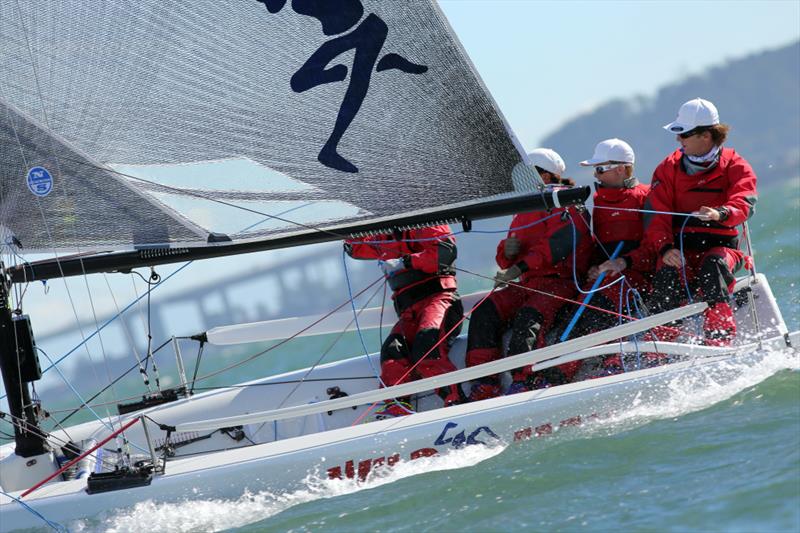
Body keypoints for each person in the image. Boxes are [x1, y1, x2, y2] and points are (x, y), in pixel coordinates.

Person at [598, 98, 758, 346]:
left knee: (713, 267)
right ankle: (661, 348)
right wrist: (665, 248)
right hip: (678, 251)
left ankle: (720, 340)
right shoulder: (668, 168)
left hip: (721, 250)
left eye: (683, 133)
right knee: (666, 275)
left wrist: (721, 213)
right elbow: (656, 216)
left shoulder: (736, 165)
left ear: (706, 135)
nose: (678, 139)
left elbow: (744, 202)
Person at [464, 148, 594, 400]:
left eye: (526, 173)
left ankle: (526, 380)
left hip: (561, 283)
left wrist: (517, 268)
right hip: (528, 283)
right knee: (484, 312)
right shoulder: (525, 207)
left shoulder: (566, 202)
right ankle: (485, 383)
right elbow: (508, 251)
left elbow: (556, 247)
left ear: (545, 176)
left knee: (528, 317)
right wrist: (506, 254)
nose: (519, 179)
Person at [344, 225, 464, 416]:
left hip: (439, 299)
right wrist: (347, 227)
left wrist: (406, 262)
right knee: (393, 352)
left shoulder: (424, 220)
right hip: (408, 311)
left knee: (427, 348)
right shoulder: (382, 233)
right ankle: (397, 409)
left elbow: (444, 253)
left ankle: (457, 403)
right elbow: (357, 248)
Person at [566, 139, 650, 373]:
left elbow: (655, 244)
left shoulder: (645, 196)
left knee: (603, 301)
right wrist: (594, 265)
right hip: (607, 275)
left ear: (622, 168)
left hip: (634, 274)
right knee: (580, 307)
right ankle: (562, 372)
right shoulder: (598, 200)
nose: (596, 174)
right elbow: (599, 243)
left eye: (601, 169)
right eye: (596, 169)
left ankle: (614, 362)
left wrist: (624, 262)